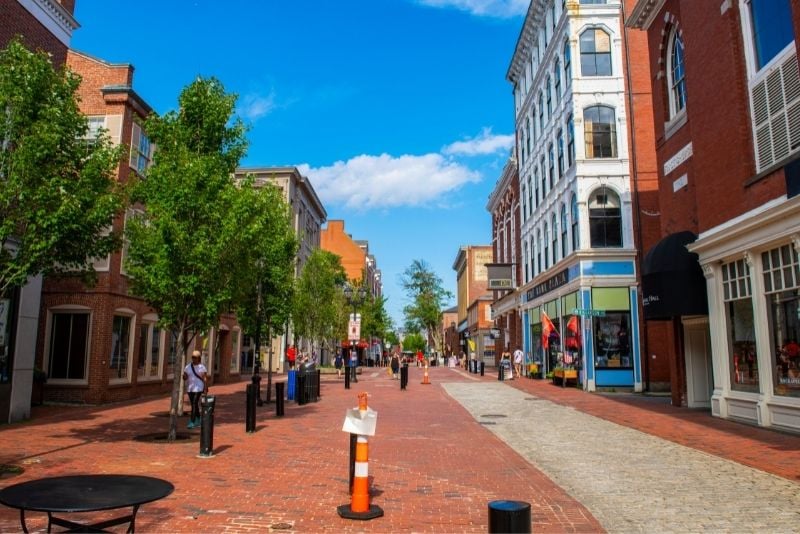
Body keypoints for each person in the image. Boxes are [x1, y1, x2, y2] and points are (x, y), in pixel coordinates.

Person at [183, 350, 207, 429]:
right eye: (192, 357)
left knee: (194, 403)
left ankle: (192, 421)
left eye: (195, 357)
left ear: (199, 358)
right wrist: (184, 377)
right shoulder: (188, 366)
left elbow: (204, 378)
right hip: (190, 388)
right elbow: (185, 376)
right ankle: (198, 419)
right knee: (195, 404)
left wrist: (205, 388)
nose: (193, 359)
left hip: (198, 388)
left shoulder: (202, 367)